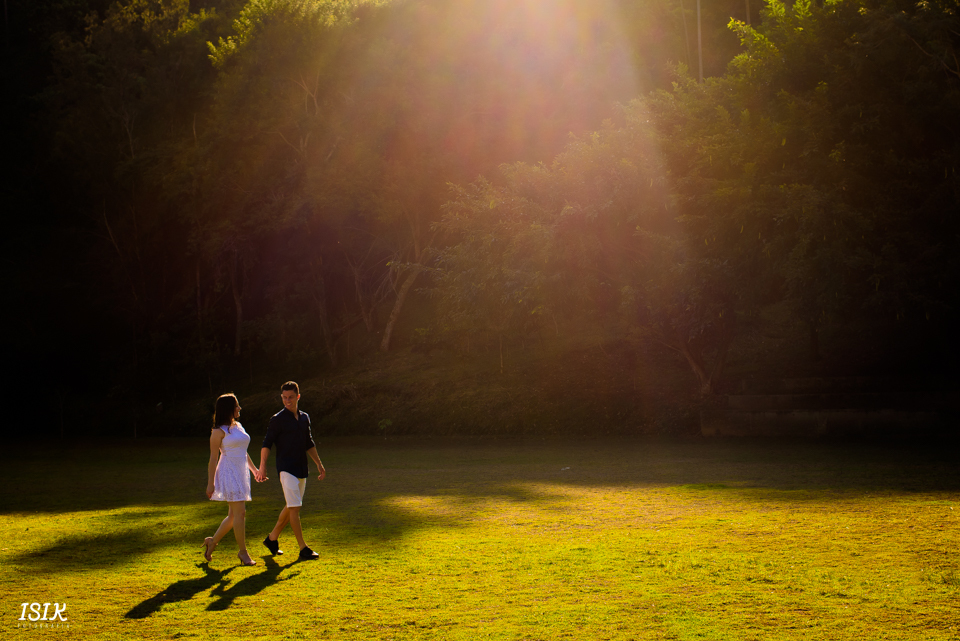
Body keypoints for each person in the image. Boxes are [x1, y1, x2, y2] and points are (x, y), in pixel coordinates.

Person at [259, 381, 326, 561]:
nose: (287, 401)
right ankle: (303, 548)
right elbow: (266, 444)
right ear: (282, 397)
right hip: (286, 469)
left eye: (290, 397)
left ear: (298, 396)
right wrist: (262, 466)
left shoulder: (305, 418)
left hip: (302, 469)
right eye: (284, 398)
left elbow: (308, 442)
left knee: (291, 507)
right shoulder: (277, 419)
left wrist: (319, 464)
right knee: (295, 508)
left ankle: (272, 539)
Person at [202, 393, 265, 566]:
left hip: (241, 472)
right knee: (240, 513)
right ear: (228, 408)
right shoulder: (218, 431)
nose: (239, 408)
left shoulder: (237, 426)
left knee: (233, 516)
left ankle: (212, 542)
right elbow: (213, 459)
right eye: (236, 405)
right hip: (228, 472)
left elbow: (243, 451)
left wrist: (255, 471)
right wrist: (210, 483)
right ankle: (243, 553)